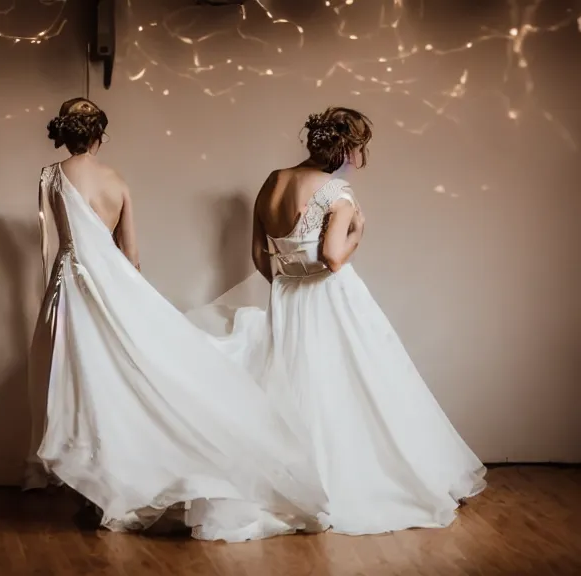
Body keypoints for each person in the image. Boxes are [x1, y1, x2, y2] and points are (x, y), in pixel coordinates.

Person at [21, 97, 330, 542]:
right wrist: (125, 298)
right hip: (112, 288)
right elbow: (131, 255)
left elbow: (51, 243)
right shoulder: (117, 182)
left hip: (68, 286)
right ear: (100, 136)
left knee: (80, 381)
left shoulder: (51, 176)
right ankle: (109, 483)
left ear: (63, 133)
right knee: (119, 379)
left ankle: (93, 488)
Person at [190, 106, 487, 535]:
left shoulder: (273, 181)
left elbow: (260, 256)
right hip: (330, 298)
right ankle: (347, 483)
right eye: (360, 148)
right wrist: (357, 234)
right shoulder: (338, 193)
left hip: (287, 297)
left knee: (297, 385)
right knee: (358, 380)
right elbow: (331, 258)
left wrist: (287, 283)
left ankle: (300, 483)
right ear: (347, 148)